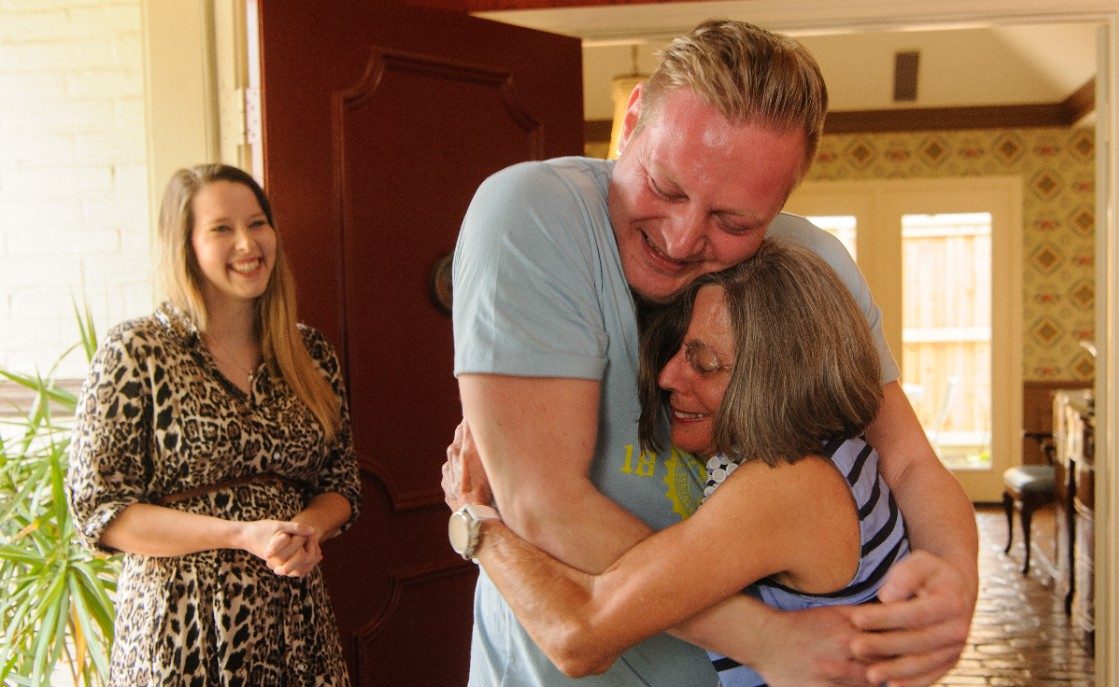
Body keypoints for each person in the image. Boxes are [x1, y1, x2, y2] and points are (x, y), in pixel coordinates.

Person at [451, 19, 977, 686]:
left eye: (733, 222)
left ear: (782, 204)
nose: (680, 236)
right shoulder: (531, 217)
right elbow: (544, 504)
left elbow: (905, 457)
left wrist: (954, 573)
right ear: (634, 117)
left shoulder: (813, 265)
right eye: (665, 187)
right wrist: (763, 637)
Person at [444, 240, 912, 686]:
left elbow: (578, 637)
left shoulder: (788, 486)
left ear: (776, 380)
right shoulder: (839, 454)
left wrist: (475, 518)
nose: (669, 377)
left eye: (704, 364)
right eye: (677, 352)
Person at [68, 164, 361, 685]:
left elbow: (341, 485)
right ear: (186, 246)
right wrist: (241, 535)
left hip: (295, 625)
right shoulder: (137, 352)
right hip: (179, 633)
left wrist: (304, 531)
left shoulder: (309, 353)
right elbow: (101, 512)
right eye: (222, 228)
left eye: (257, 223)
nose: (248, 243)